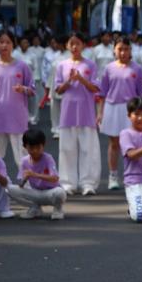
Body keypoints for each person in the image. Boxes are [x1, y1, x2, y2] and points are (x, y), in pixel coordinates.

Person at [0, 31, 35, 172]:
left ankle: (27, 183)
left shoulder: (22, 66)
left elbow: (32, 90)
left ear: (13, 44)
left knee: (22, 157)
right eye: (1, 42)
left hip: (17, 117)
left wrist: (23, 89)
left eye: (8, 42)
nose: (4, 45)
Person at [54, 33, 101, 195]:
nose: (74, 47)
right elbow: (58, 90)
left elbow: (95, 88)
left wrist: (80, 79)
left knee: (88, 149)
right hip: (68, 112)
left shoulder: (90, 65)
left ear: (83, 45)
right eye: (71, 43)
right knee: (67, 149)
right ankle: (68, 183)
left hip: (86, 112)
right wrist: (69, 80)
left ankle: (88, 183)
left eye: (78, 43)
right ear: (67, 45)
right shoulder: (61, 65)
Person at [98, 39, 142, 190]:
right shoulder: (109, 68)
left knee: (133, 144)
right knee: (114, 143)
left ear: (130, 50)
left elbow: (141, 93)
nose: (123, 52)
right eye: (120, 49)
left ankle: (132, 175)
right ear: (114, 50)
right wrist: (100, 113)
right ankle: (113, 176)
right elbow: (103, 92)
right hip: (112, 107)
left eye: (126, 49)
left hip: (131, 109)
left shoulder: (137, 69)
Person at [5, 128, 66, 220]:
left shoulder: (48, 158)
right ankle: (34, 207)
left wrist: (35, 175)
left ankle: (58, 208)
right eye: (31, 148)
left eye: (38, 148)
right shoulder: (24, 161)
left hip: (50, 192)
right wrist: (24, 179)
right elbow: (20, 184)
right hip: (35, 192)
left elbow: (55, 178)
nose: (35, 151)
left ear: (43, 145)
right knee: (9, 189)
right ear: (25, 147)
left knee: (60, 192)